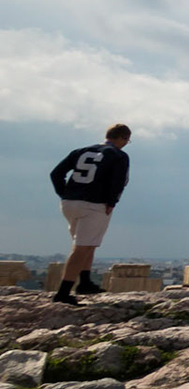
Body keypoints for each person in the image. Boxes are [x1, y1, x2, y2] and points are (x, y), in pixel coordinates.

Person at [47, 123, 133, 305]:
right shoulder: (119, 156)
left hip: (69, 203)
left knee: (88, 244)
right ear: (123, 138)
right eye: (127, 140)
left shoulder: (81, 151)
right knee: (82, 248)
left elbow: (56, 173)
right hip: (95, 204)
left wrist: (65, 194)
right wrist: (112, 202)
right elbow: (119, 182)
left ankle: (85, 282)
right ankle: (63, 292)